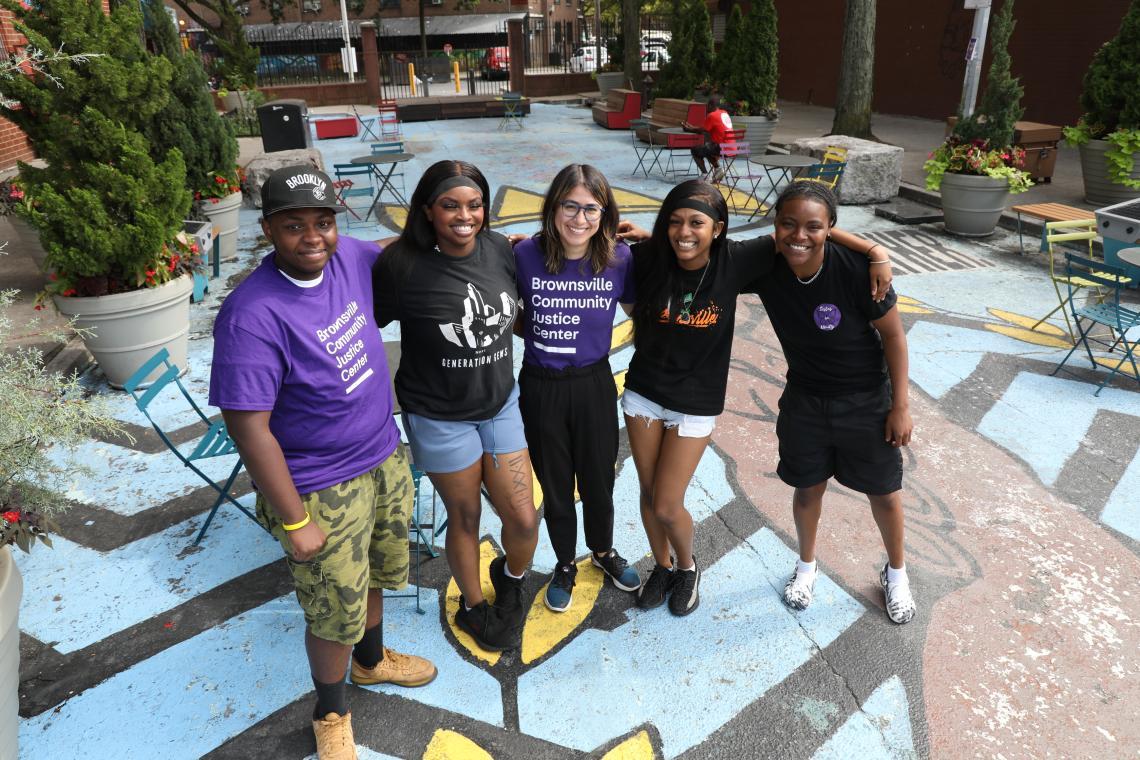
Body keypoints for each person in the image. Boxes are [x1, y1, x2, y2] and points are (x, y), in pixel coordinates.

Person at [210, 166, 436, 760]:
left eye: (323, 222)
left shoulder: (348, 259)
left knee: (380, 575)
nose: (313, 237)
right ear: (267, 230)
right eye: (294, 226)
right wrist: (292, 519)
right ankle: (331, 710)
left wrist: (510, 244)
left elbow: (396, 249)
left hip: (382, 455)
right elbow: (247, 426)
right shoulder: (250, 314)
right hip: (317, 485)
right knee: (334, 607)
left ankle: (372, 661)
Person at [619, 180, 892, 617]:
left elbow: (800, 229)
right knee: (648, 493)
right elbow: (589, 248)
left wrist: (874, 250)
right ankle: (662, 566)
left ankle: (687, 568)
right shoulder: (649, 256)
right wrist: (529, 247)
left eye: (696, 223)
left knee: (668, 503)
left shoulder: (740, 259)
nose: (683, 231)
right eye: (674, 222)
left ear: (719, 229)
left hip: (695, 401)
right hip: (643, 393)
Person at [372, 160, 538, 652]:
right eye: (450, 205)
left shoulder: (500, 250)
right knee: (465, 518)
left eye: (474, 205)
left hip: (500, 405)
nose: (464, 216)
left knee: (525, 521)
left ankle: (509, 576)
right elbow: (361, 321)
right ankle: (471, 605)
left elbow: (528, 307)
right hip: (439, 416)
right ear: (428, 209)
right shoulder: (401, 266)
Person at [748, 182, 916, 624]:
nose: (799, 235)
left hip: (867, 402)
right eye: (788, 223)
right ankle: (806, 567)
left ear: (830, 230)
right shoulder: (766, 264)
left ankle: (896, 574)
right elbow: (711, 252)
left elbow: (894, 336)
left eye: (813, 227)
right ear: (775, 225)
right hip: (805, 399)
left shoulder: (859, 270)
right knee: (808, 488)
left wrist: (900, 405)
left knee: (885, 491)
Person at [513, 164, 642, 613]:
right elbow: (502, 309)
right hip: (541, 384)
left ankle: (602, 552)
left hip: (593, 382)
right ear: (553, 207)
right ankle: (565, 563)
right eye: (570, 205)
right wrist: (537, 332)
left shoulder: (618, 258)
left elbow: (641, 311)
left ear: (604, 214)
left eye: (591, 208)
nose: (579, 218)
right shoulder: (524, 254)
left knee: (598, 479)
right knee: (554, 483)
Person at [682, 94, 734, 183]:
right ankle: (718, 170)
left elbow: (702, 131)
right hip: (733, 148)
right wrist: (692, 127)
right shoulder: (724, 113)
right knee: (707, 147)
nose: (706, 108)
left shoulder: (712, 115)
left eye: (707, 105)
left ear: (710, 105)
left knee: (695, 149)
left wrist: (688, 129)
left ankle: (705, 175)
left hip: (722, 148)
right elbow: (705, 128)